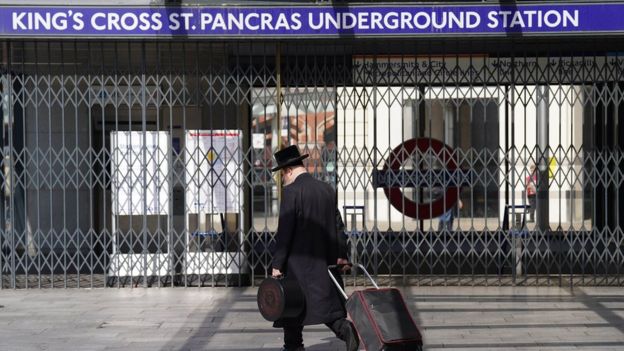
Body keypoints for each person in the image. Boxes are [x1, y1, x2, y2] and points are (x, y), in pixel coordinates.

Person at [270, 145, 359, 351]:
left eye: (282, 175)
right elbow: (338, 226)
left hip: (297, 265)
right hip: (324, 263)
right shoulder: (326, 189)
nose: (283, 179)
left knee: (291, 306)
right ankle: (346, 330)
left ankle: (293, 346)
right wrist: (342, 255)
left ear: (288, 170)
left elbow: (285, 232)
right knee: (328, 307)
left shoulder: (291, 192)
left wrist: (277, 264)